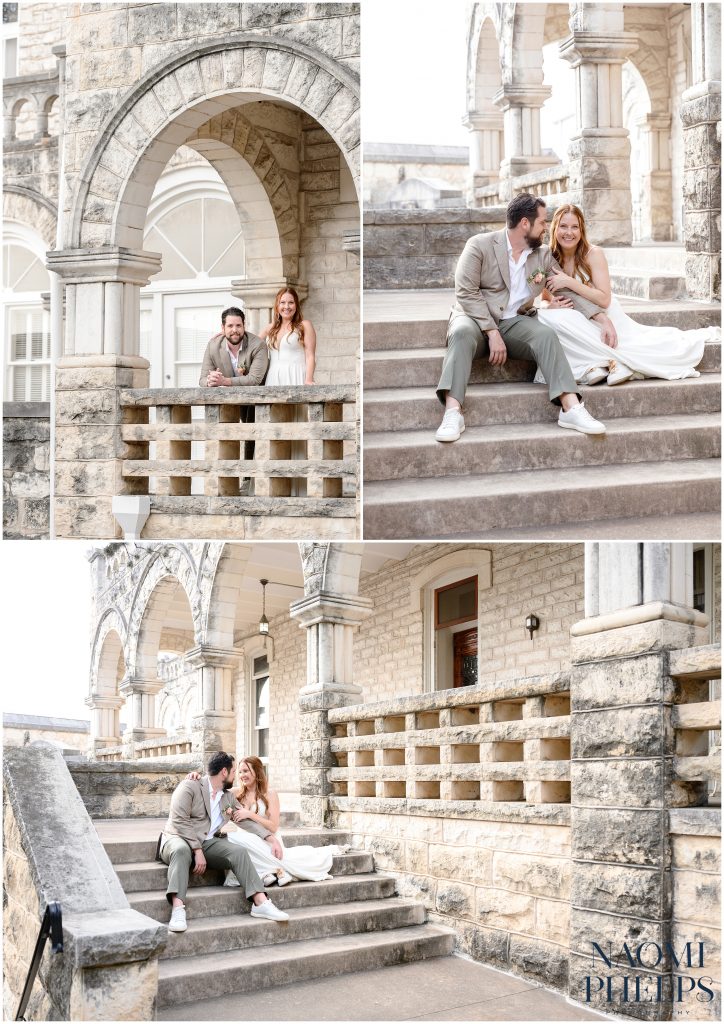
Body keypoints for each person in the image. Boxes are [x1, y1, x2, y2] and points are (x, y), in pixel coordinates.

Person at [435, 192, 614, 441]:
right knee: (461, 333)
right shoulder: (479, 245)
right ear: (525, 224)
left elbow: (565, 289)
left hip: (515, 322)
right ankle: (453, 412)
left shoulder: (541, 256)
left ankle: (571, 408)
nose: (546, 229)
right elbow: (466, 292)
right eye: (542, 222)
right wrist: (491, 331)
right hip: (474, 319)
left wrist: (602, 319)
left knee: (546, 336)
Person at [535, 204, 716, 385]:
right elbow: (544, 298)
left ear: (581, 230)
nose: (569, 232)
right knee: (551, 319)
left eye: (575, 227)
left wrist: (569, 281)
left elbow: (605, 299)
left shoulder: (593, 254)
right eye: (563, 226)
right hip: (574, 313)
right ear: (555, 228)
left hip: (604, 313)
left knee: (640, 348)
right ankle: (600, 364)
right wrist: (549, 306)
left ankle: (609, 361)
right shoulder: (549, 257)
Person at [159, 751, 289, 933]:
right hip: (176, 839)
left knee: (239, 852)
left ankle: (261, 903)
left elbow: (243, 820)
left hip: (207, 843)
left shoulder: (227, 797)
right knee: (181, 851)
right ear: (224, 772)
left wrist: (270, 838)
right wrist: (197, 850)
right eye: (234, 771)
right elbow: (179, 821)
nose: (236, 775)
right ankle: (178, 909)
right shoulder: (189, 786)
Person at [187, 756, 349, 886]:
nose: (242, 775)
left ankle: (269, 872)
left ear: (257, 772)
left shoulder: (270, 793)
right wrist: (196, 776)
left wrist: (250, 814)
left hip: (268, 839)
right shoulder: (235, 793)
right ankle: (270, 873)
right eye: (240, 772)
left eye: (246, 771)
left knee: (287, 858)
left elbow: (273, 826)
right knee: (235, 840)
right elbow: (212, 787)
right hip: (247, 837)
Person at [199, 306, 269, 489]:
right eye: (230, 325)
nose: (234, 330)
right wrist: (211, 380)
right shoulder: (213, 345)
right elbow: (202, 379)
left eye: (238, 325)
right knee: (224, 436)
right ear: (223, 328)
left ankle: (249, 480)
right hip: (229, 404)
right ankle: (224, 481)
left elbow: (255, 379)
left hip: (256, 401)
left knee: (252, 436)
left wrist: (225, 381)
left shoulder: (257, 345)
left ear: (244, 325)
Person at [260, 287, 317, 385]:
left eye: (291, 302)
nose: (287, 306)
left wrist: (309, 380)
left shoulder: (304, 325)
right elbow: (251, 343)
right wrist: (224, 335)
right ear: (277, 306)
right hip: (273, 378)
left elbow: (310, 356)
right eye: (282, 302)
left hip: (296, 375)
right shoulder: (270, 328)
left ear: (296, 305)